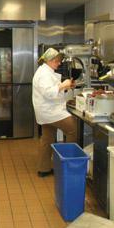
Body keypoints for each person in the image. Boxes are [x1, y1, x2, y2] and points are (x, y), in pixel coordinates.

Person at [32, 47, 77, 177]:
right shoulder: (44, 74)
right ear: (50, 60)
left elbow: (53, 90)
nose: (59, 63)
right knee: (73, 129)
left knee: (47, 138)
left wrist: (66, 86)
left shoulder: (47, 71)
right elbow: (49, 92)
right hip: (50, 111)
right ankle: (69, 166)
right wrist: (63, 85)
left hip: (48, 111)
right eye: (57, 61)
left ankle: (44, 168)